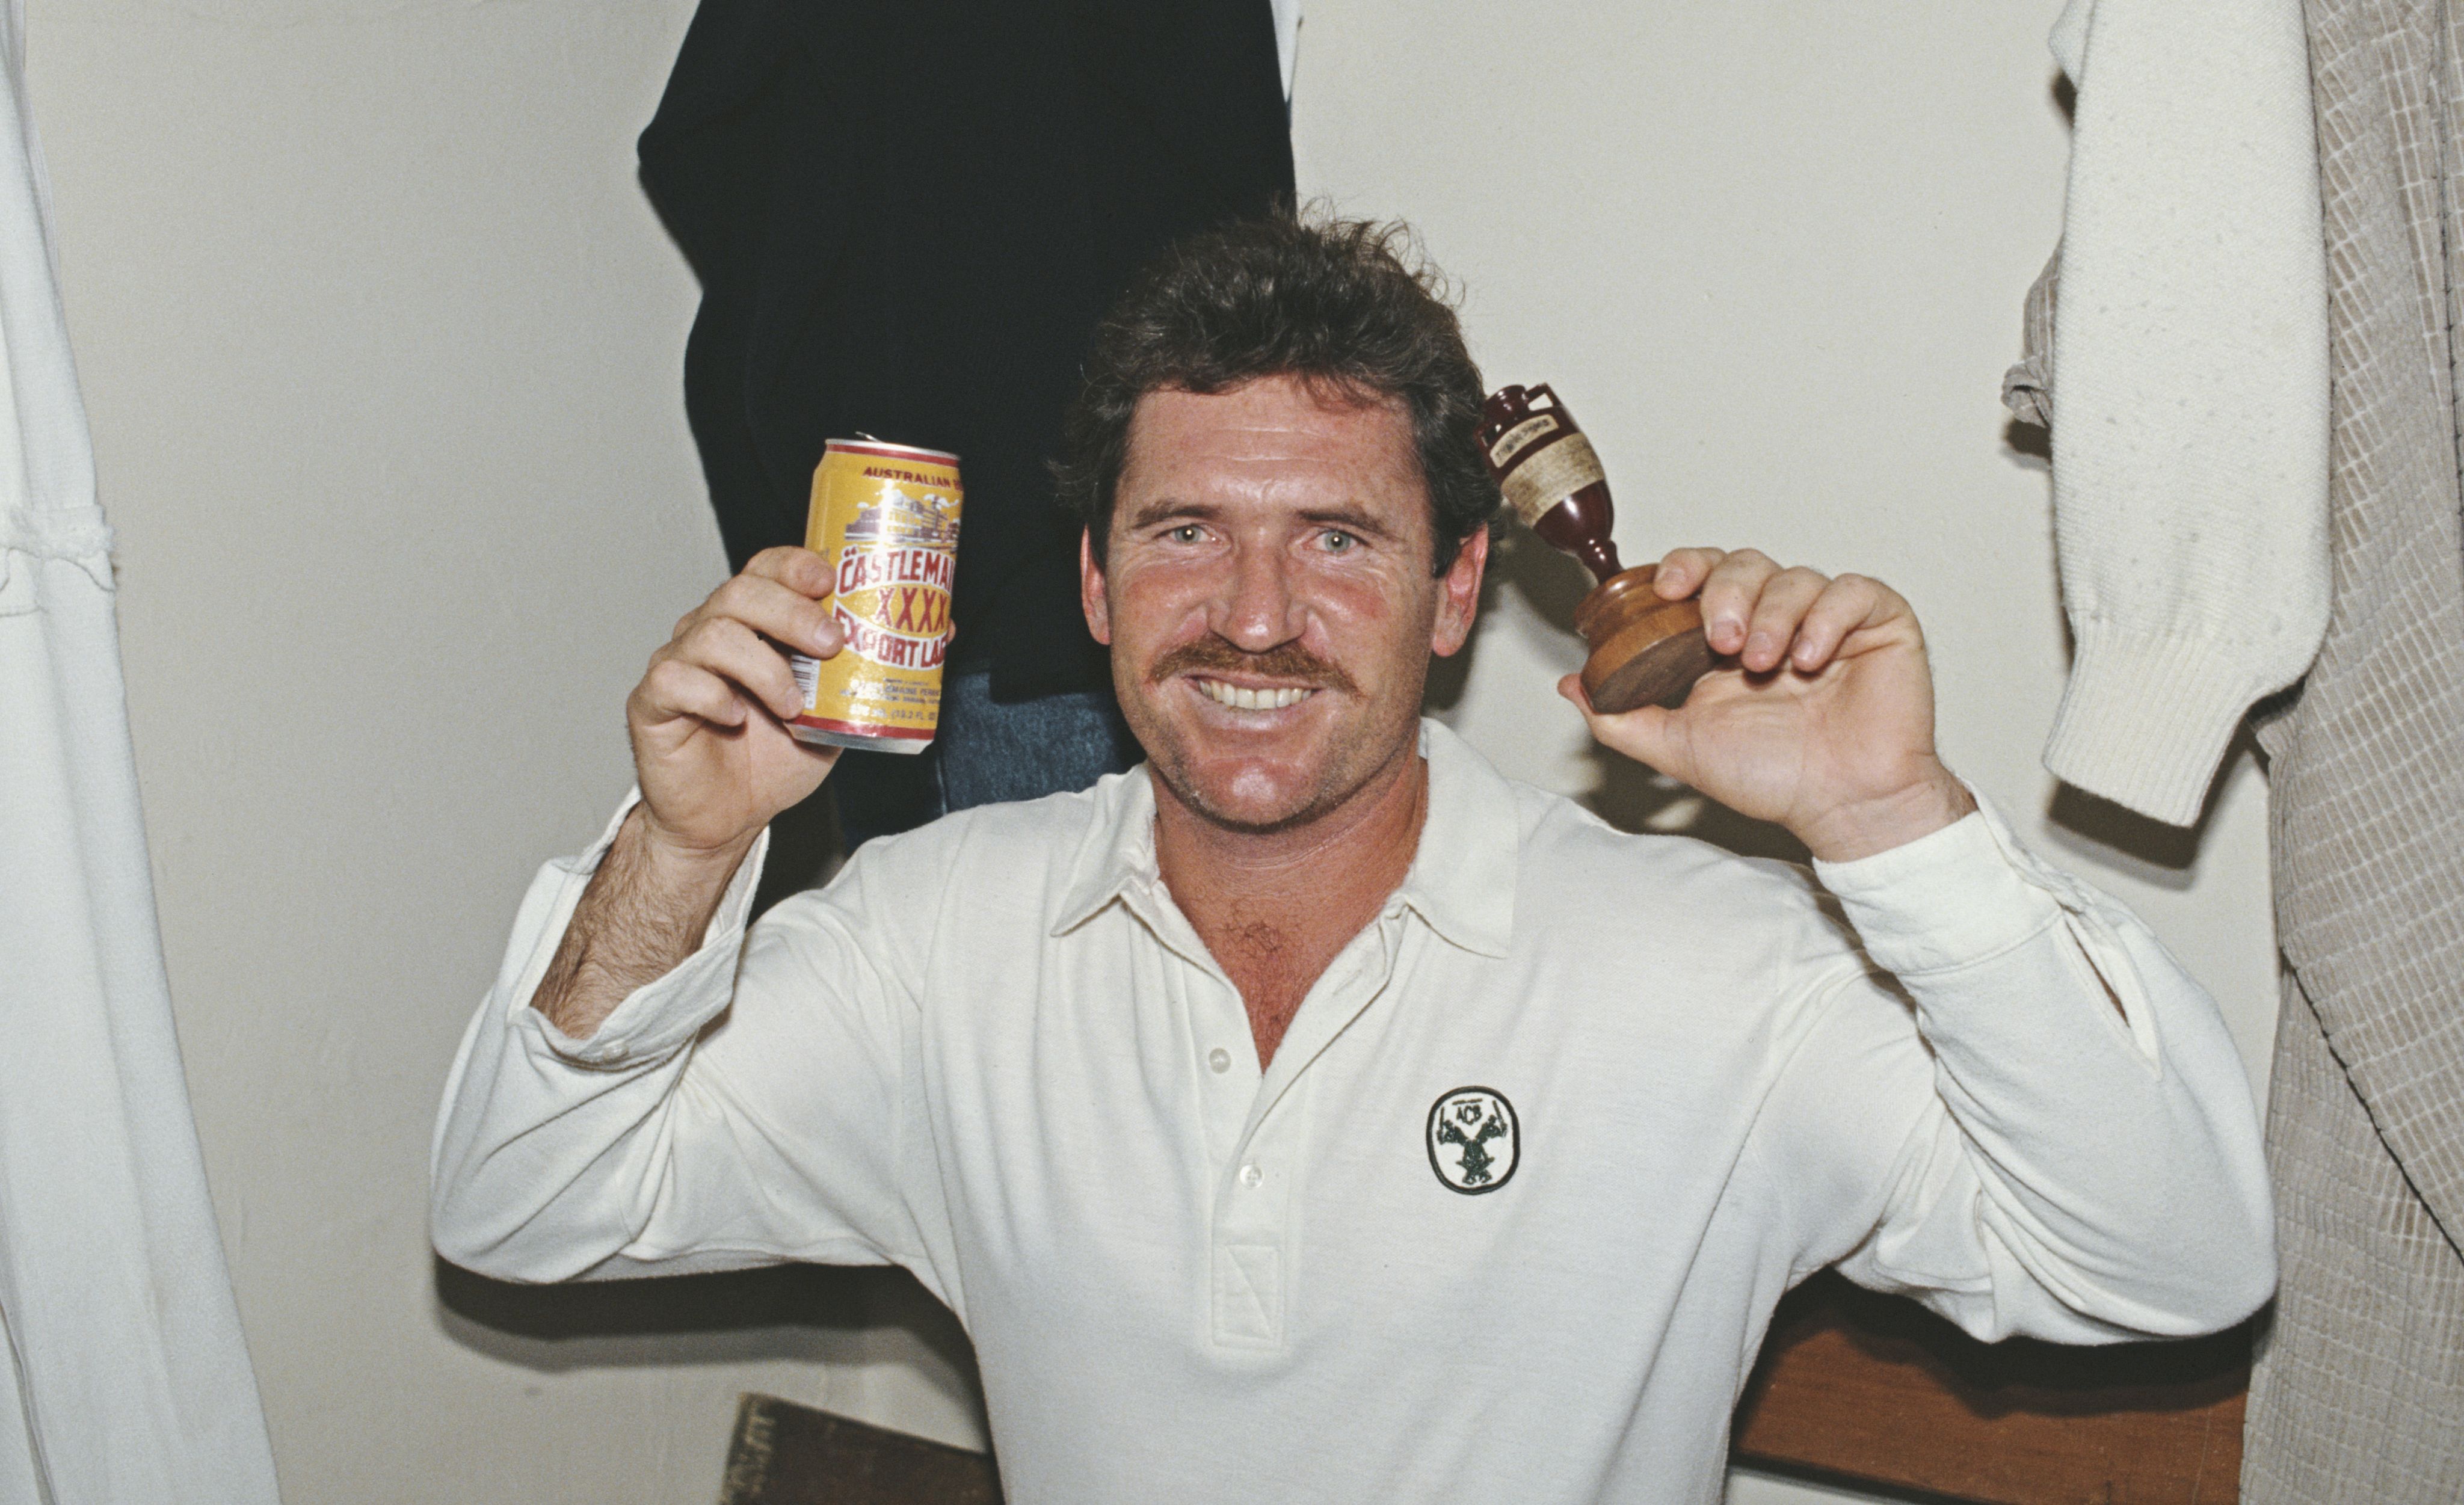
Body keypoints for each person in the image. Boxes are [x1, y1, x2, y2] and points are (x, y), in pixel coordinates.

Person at [431, 215, 2272, 1503]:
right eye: (1180, 534)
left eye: (1336, 541)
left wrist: (1891, 826)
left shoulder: (1709, 975)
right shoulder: (943, 939)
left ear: (1458, 589)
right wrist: (683, 851)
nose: (1250, 617)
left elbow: (2174, 1262)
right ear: (1090, 584)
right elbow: (518, 1207)